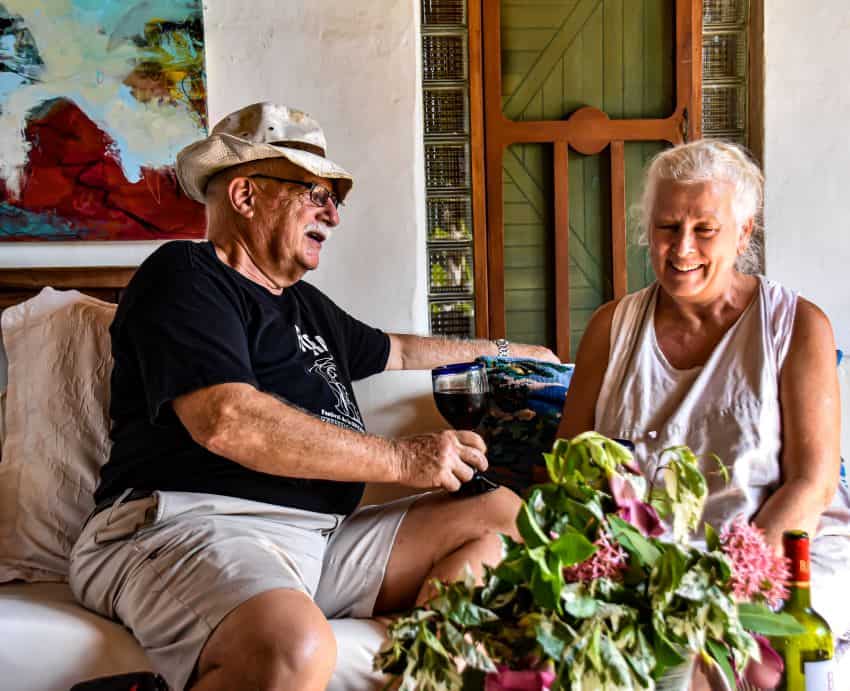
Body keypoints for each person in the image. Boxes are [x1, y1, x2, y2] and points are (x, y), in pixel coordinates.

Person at [68, 102, 557, 691]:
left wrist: (511, 353)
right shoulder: (185, 275)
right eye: (314, 193)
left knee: (505, 515)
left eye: (335, 199)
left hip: (315, 538)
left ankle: (431, 670)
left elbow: (398, 351)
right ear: (245, 195)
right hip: (184, 524)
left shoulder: (305, 305)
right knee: (294, 648)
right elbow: (227, 421)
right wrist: (404, 460)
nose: (332, 214)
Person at [557, 140, 850, 638]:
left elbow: (813, 484)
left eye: (705, 230)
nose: (683, 247)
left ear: (743, 234)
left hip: (780, 553)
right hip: (651, 565)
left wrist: (726, 584)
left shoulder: (796, 325)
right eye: (667, 227)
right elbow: (569, 471)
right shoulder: (612, 328)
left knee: (734, 644)